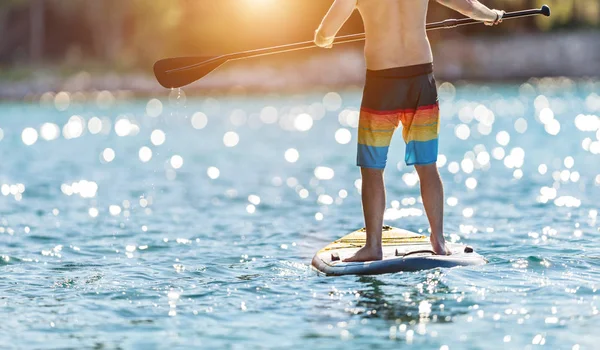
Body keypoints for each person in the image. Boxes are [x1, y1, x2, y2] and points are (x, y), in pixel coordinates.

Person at [314, 0, 504, 261]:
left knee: (372, 169)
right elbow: (468, 6)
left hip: (382, 84)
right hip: (420, 79)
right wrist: (492, 15)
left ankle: (373, 246)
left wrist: (323, 37)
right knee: (428, 166)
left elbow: (329, 28)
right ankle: (438, 240)